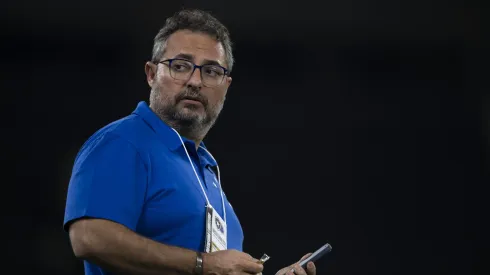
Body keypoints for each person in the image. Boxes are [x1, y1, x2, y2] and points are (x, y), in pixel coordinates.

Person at [63, 9, 318, 275]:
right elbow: (89, 238)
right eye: (181, 66)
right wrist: (203, 264)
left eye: (210, 71)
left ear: (226, 86)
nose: (195, 81)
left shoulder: (208, 174)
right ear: (151, 74)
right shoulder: (123, 142)